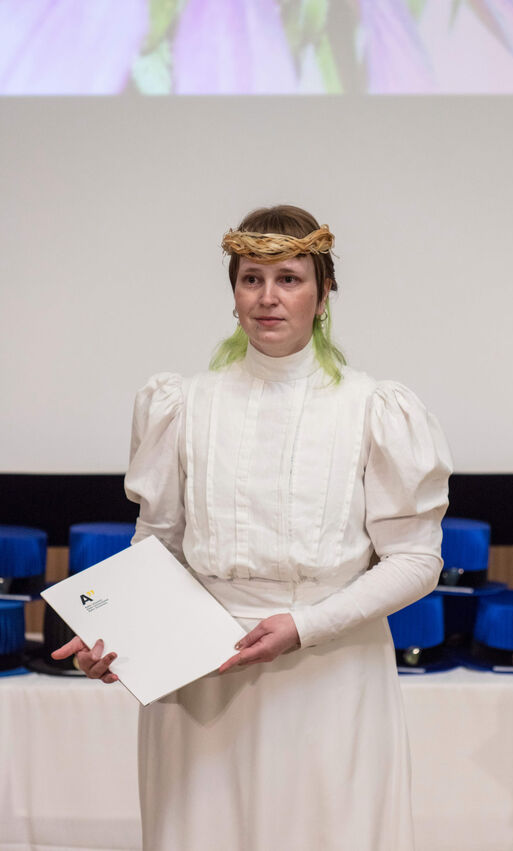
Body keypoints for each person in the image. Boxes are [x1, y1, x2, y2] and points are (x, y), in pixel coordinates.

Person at [53, 204, 453, 850]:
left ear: (324, 295)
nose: (268, 298)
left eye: (289, 278)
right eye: (250, 279)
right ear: (233, 291)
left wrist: (303, 626)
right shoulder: (182, 403)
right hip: (202, 679)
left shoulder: (373, 408)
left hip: (330, 677)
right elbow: (156, 545)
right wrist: (116, 633)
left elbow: (414, 558)